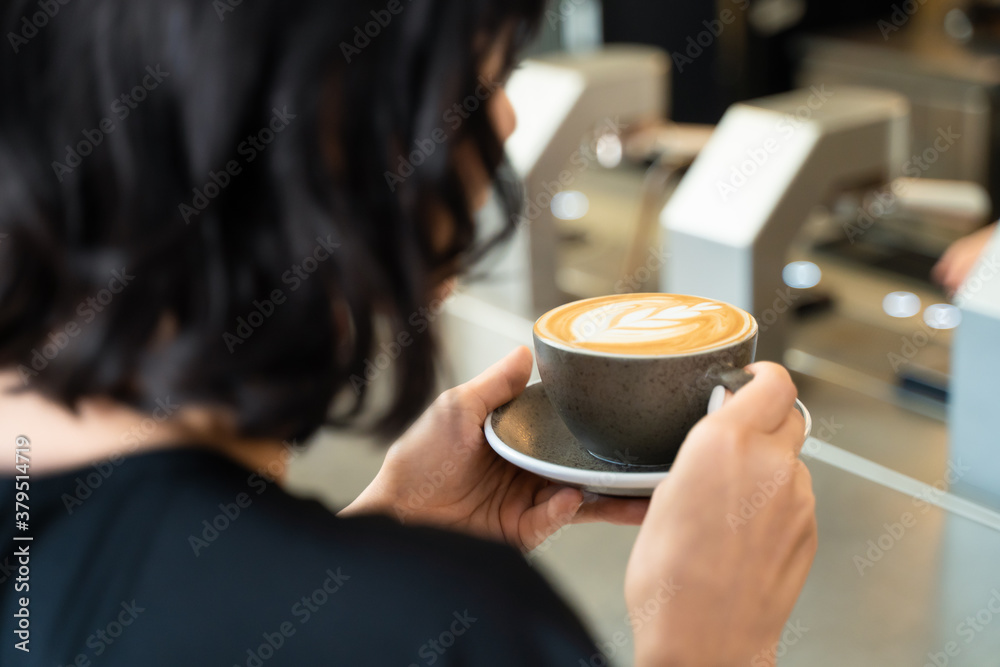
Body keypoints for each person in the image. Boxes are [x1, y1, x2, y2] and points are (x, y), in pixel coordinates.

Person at [0, 0, 817, 665]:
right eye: (480, 69)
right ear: (325, 110)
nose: (499, 120)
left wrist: (379, 534)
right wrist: (709, 638)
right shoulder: (450, 629)